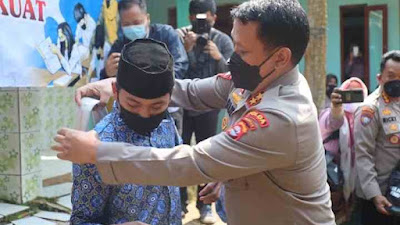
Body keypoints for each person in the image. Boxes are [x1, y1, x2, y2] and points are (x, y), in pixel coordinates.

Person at [52, 1, 336, 224]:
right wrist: (121, 82)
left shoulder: (283, 117)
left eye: (242, 51)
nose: (230, 58)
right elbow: (191, 91)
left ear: (281, 57)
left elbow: (192, 163)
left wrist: (99, 153)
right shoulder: (258, 78)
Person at [70, 39, 182, 225]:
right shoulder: (96, 146)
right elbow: (81, 220)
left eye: (157, 106)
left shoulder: (166, 121)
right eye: (133, 104)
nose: (145, 115)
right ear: (115, 90)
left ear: (170, 97)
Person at [175, 0, 234, 222]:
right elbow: (175, 72)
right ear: (190, 17)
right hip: (182, 107)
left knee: (206, 157)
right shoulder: (179, 36)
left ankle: (205, 206)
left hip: (209, 109)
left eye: (207, 15)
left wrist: (218, 57)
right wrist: (186, 50)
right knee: (179, 153)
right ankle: (180, 205)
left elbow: (234, 75)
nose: (202, 19)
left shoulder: (222, 40)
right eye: (197, 15)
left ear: (214, 17)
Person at [354, 50, 400, 225]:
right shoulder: (370, 109)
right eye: (392, 76)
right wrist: (375, 195)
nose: (397, 81)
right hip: (380, 198)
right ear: (379, 78)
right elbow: (363, 155)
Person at [100, 0, 188, 80]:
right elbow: (106, 81)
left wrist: (161, 84)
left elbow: (180, 65)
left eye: (136, 23)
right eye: (126, 24)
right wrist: (107, 73)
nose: (132, 28)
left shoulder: (165, 34)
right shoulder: (119, 46)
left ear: (148, 19)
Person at [319, 77, 368, 220]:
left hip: (361, 181)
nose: (351, 95)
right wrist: (336, 107)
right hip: (335, 179)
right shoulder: (331, 113)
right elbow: (333, 122)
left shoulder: (368, 116)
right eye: (348, 91)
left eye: (356, 92)